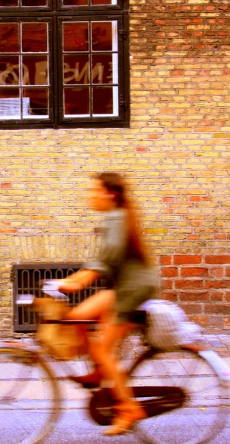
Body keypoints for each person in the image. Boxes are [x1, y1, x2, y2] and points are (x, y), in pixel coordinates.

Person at [57, 172, 159, 436]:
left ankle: (128, 407)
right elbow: (101, 260)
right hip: (125, 285)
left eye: (94, 191)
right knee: (77, 316)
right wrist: (71, 279)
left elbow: (107, 260)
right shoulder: (115, 217)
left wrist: (78, 282)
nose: (89, 196)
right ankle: (98, 372)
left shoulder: (118, 218)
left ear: (109, 194)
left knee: (102, 347)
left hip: (132, 289)